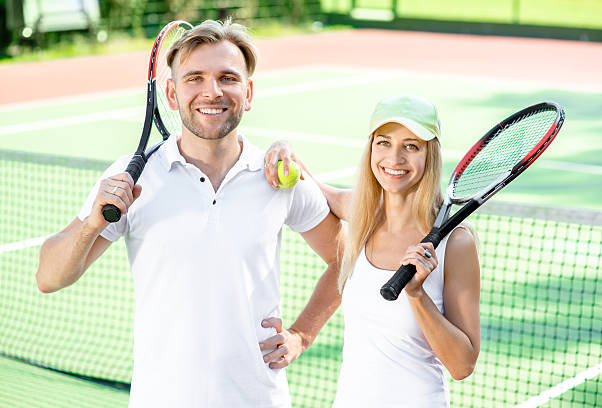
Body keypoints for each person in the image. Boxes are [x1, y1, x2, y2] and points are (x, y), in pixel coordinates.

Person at [36, 19, 342, 408]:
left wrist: (303, 334)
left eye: (227, 78)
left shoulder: (277, 175)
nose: (211, 91)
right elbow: (48, 277)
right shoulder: (132, 176)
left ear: (247, 93)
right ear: (171, 91)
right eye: (194, 78)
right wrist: (93, 223)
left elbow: (345, 256)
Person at [269, 95, 480, 407]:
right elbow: (310, 184)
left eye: (411, 145)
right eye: (384, 142)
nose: (394, 158)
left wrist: (417, 295)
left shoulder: (456, 243)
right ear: (371, 149)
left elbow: (463, 365)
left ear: (429, 154)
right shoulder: (362, 213)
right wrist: (284, 149)